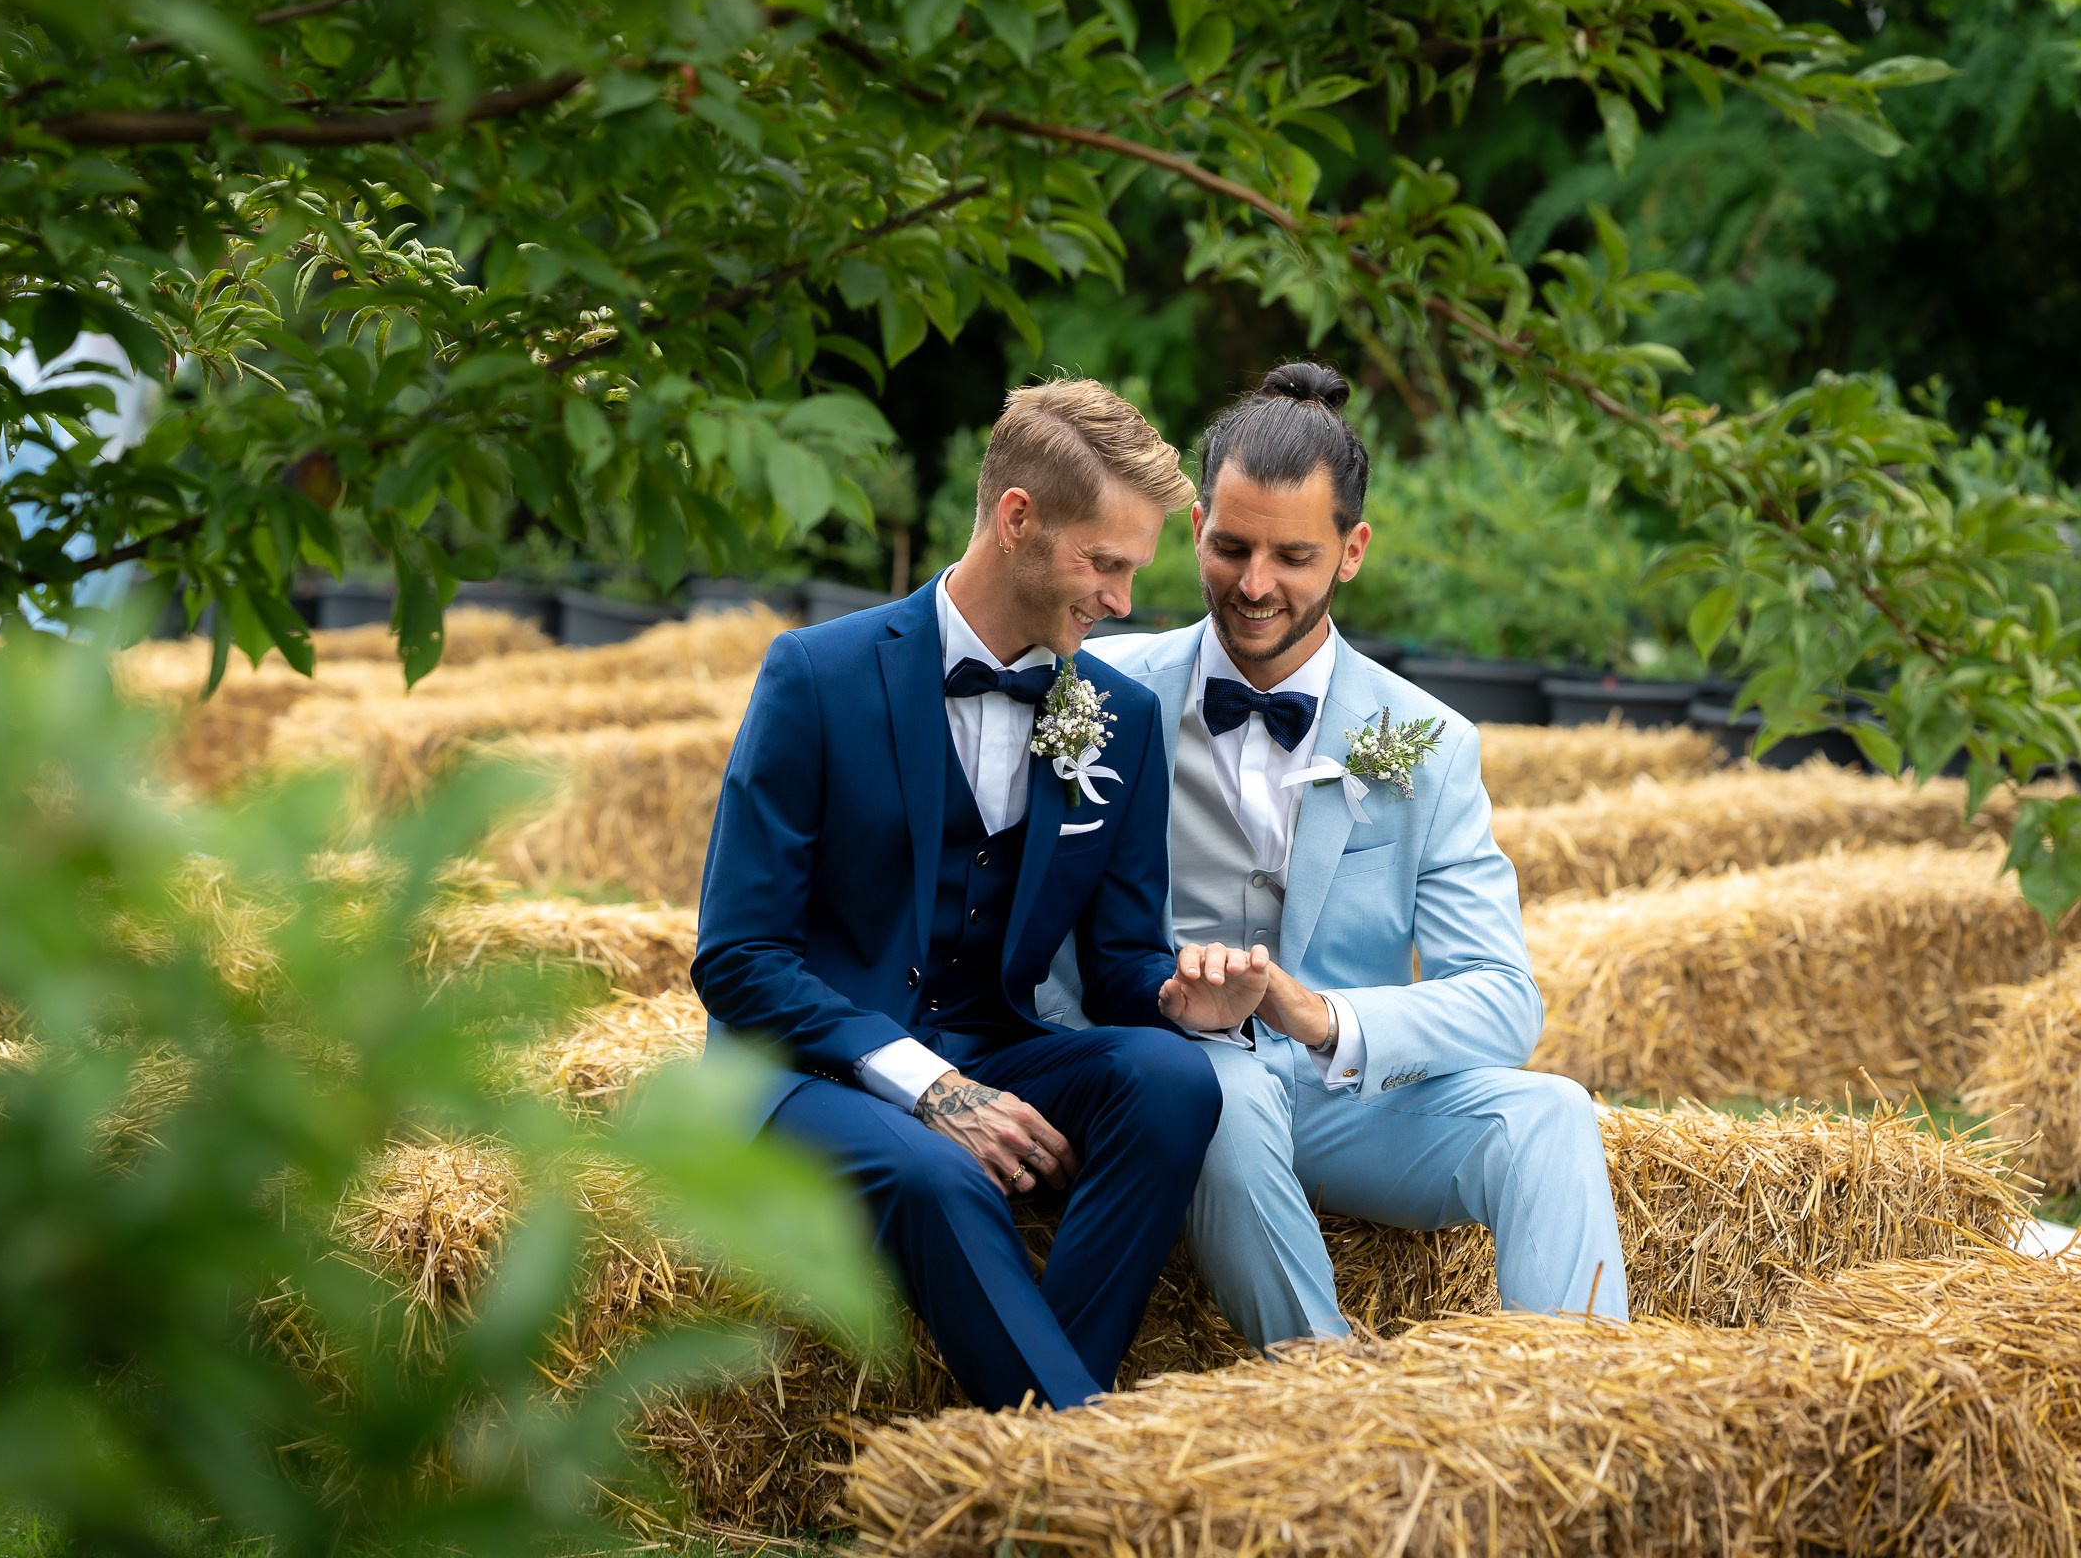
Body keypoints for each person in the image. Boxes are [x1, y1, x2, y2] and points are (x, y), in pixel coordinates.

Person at [691, 378, 1270, 1410]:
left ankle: (1034, 1439)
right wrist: (931, 1090)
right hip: (804, 1073)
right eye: (1105, 562)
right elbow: (738, 961)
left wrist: (1184, 1001)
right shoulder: (816, 676)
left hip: (992, 1041)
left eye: (1134, 570)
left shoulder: (1119, 716)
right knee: (943, 1175)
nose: (1123, 602)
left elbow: (1123, 958)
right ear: (1017, 521)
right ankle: (1074, 1454)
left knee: (1176, 1081)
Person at [1036, 361, 1628, 1347]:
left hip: (1348, 1100)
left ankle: (1575, 1420)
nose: (1254, 585)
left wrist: (1325, 1017)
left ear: (1352, 551)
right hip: (1179, 1085)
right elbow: (1037, 934)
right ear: (1193, 532)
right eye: (1230, 548)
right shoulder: (1093, 694)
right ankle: (1336, 1409)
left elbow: (1502, 999)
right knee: (1214, 1096)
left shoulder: (1427, 739)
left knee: (1552, 1114)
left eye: (1293, 557)